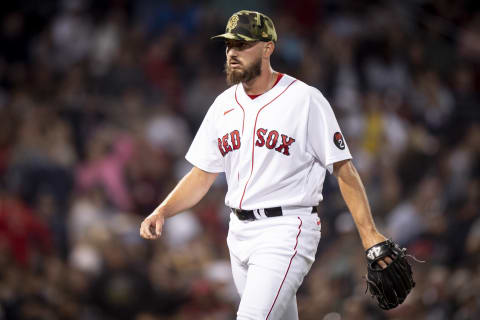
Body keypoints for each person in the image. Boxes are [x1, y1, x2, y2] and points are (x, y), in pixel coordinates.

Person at [140, 10, 391, 320]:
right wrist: (162, 210)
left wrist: (369, 236)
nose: (232, 52)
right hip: (238, 232)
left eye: (242, 45)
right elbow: (202, 175)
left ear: (268, 47)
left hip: (286, 229)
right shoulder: (223, 105)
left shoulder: (304, 99)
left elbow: (344, 169)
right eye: (229, 45)